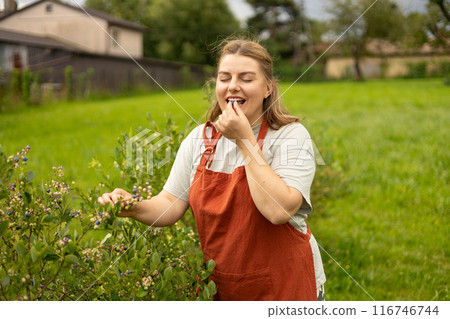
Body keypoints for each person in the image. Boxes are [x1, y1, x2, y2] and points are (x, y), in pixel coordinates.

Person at [98, 38, 326, 301]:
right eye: (224, 77)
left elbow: (279, 210)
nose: (233, 86)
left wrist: (243, 140)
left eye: (247, 78)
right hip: (223, 288)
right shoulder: (199, 139)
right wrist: (133, 206)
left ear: (268, 88)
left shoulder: (290, 136)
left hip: (286, 287)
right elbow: (171, 202)